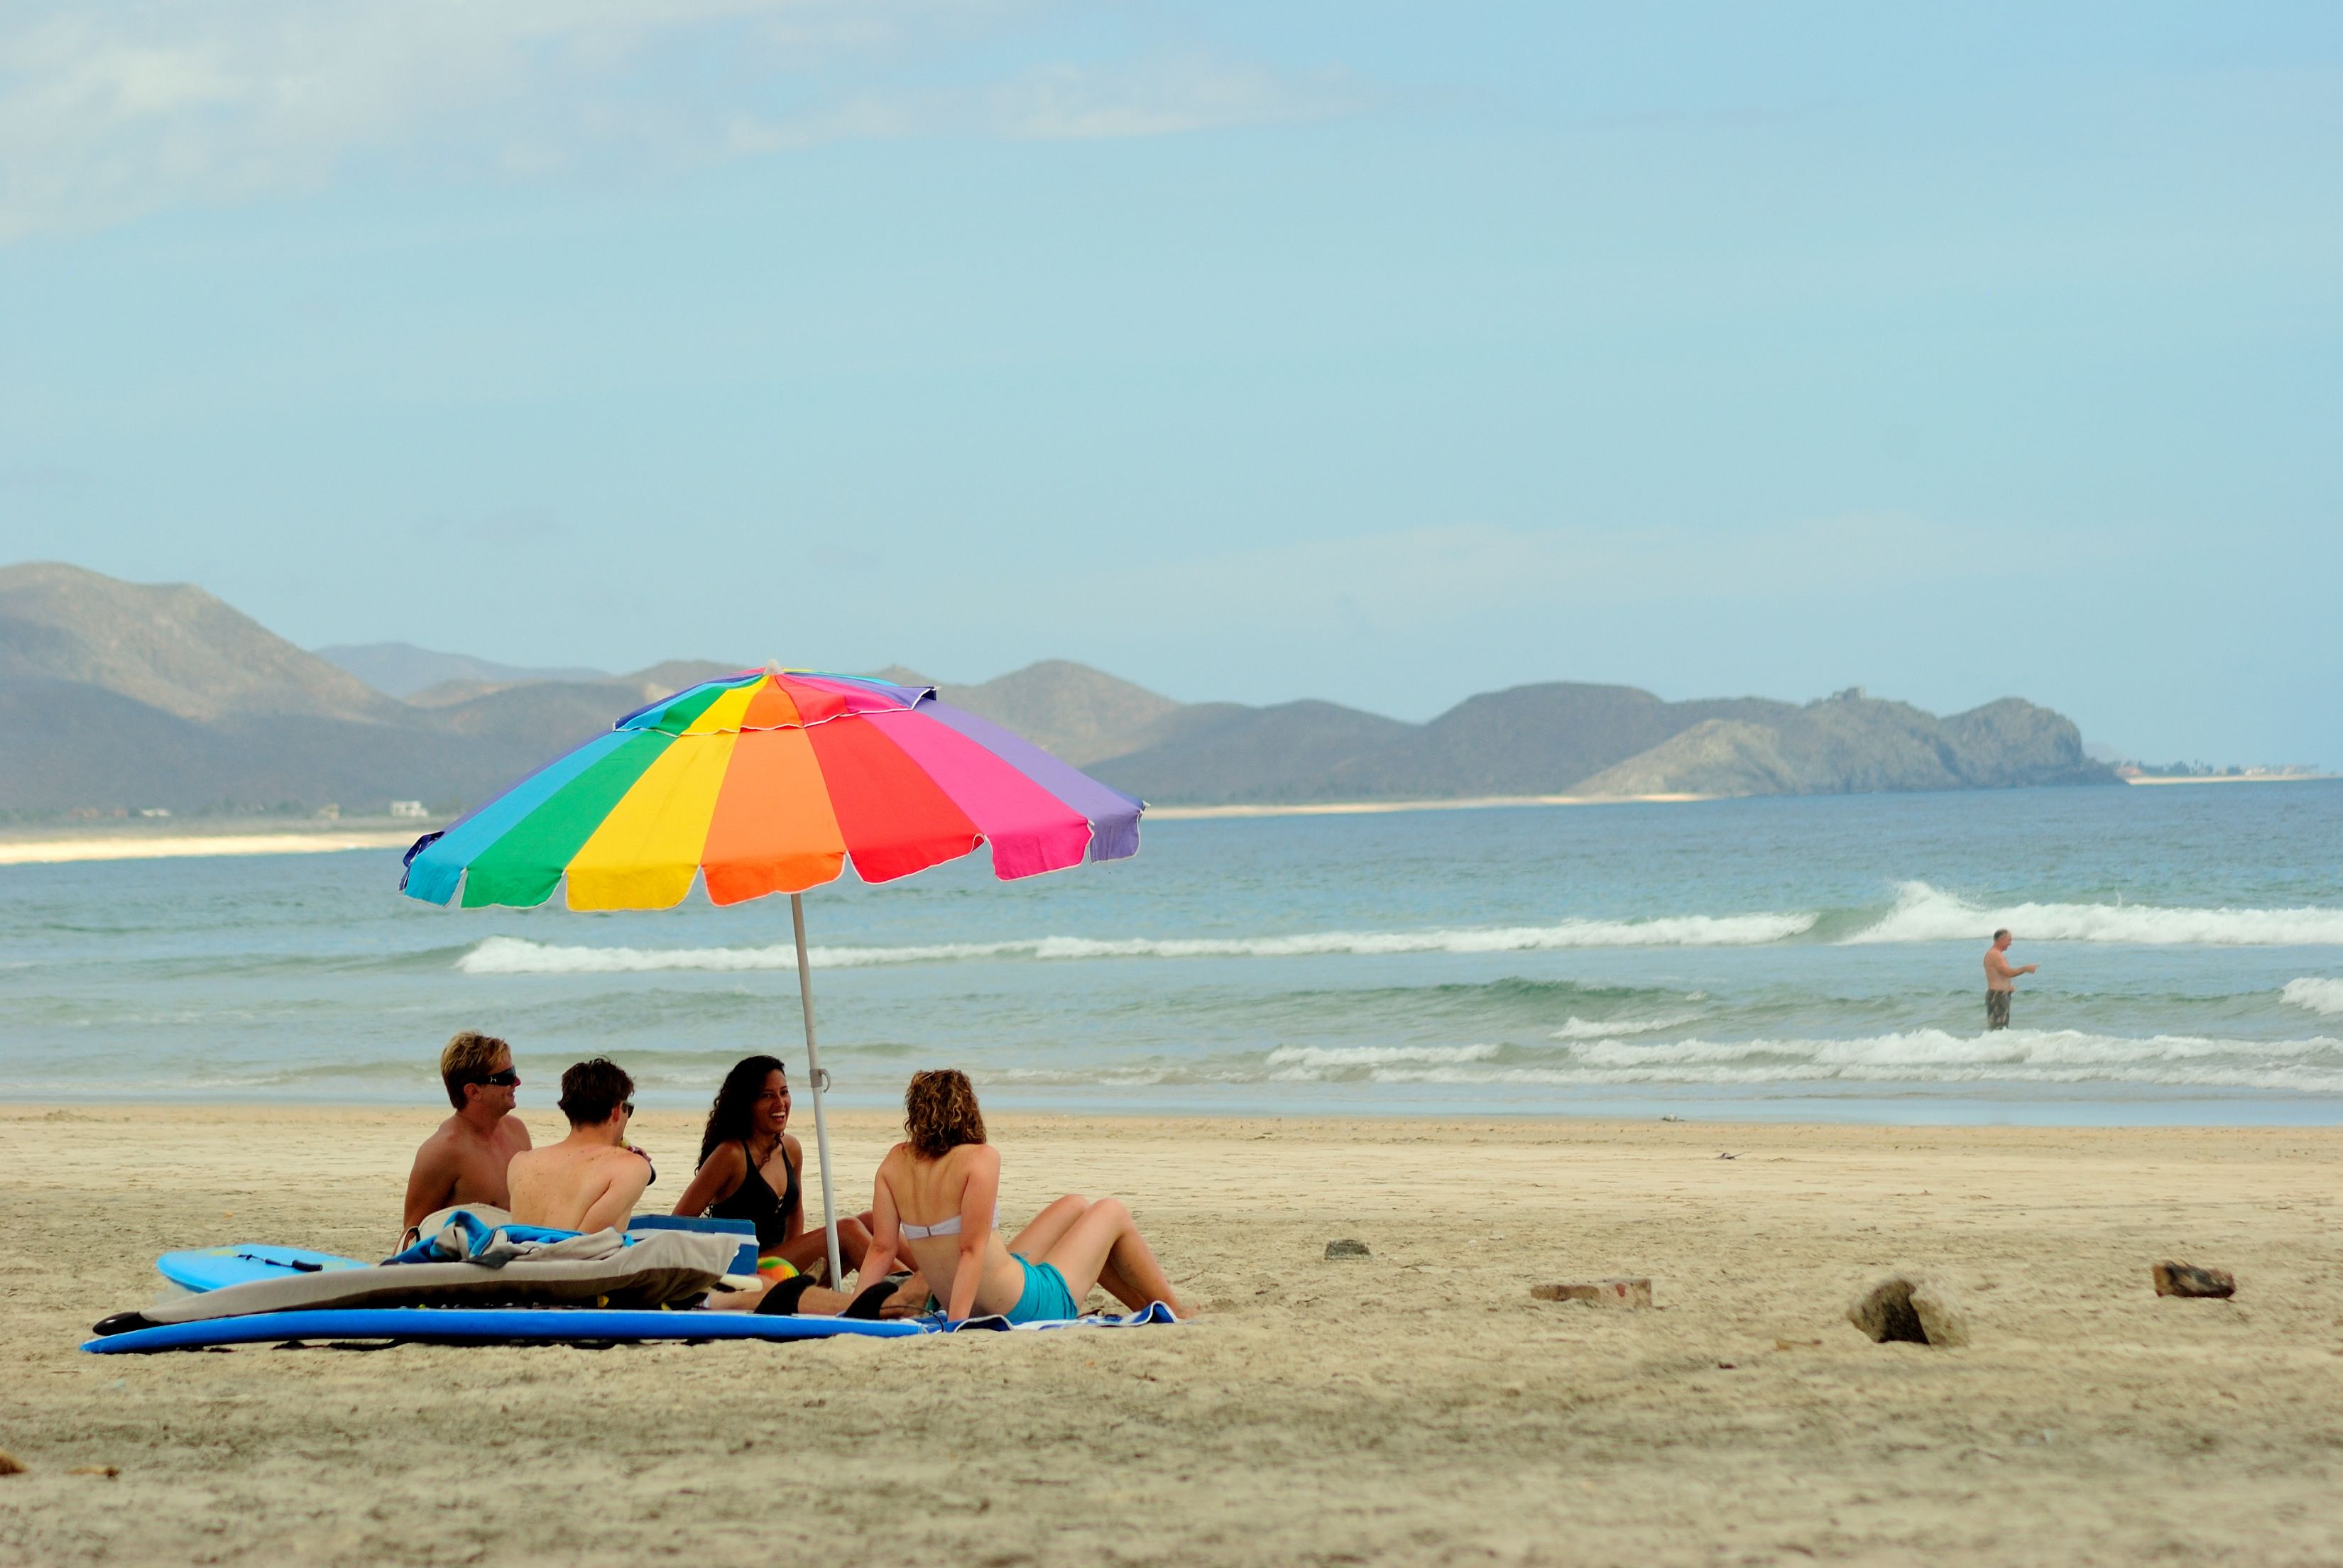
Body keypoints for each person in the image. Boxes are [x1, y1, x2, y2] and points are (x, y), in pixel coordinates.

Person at [858, 1069, 1187, 1323]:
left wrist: (852, 1315)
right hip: (1023, 1307)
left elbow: (882, 1248)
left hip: (972, 1292)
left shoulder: (895, 1163)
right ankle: (1174, 1310)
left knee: (1075, 1205)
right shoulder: (980, 1158)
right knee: (1111, 1210)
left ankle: (1146, 1306)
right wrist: (957, 1325)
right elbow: (971, 1249)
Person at [670, 1055, 876, 1283]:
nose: (780, 1103)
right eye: (767, 1096)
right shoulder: (731, 1155)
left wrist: (797, 1260)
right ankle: (904, 1288)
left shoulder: (791, 1148)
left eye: (784, 1092)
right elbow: (677, 1222)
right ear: (747, 1104)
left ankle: (919, 1282)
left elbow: (795, 1212)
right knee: (847, 1230)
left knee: (871, 1221)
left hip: (782, 1267)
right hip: (747, 1270)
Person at [403, 1030, 532, 1232]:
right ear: (474, 1091)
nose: (517, 1082)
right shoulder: (442, 1151)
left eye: (513, 1072)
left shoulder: (517, 1132)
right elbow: (412, 1232)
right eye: (507, 1077)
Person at [506, 1058, 655, 1232]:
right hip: (577, 1259)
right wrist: (634, 1162)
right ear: (616, 1111)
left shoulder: (521, 1162)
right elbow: (584, 1242)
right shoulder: (632, 1167)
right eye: (628, 1109)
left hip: (522, 1256)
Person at [1984, 928, 2036, 1031]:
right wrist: (2026, 969)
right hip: (1997, 996)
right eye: (2009, 940)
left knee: (2001, 1029)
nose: (2010, 944)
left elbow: (1999, 975)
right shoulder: (1995, 955)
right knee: (1998, 1030)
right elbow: (2008, 973)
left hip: (2000, 994)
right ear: (2001, 940)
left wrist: (2008, 987)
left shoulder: (1994, 954)